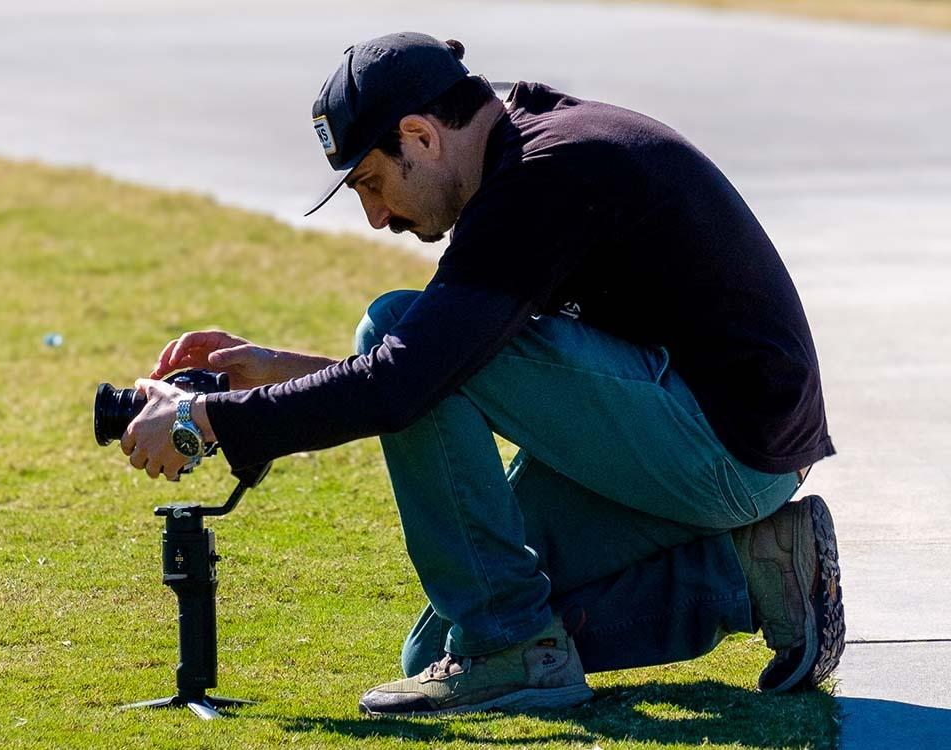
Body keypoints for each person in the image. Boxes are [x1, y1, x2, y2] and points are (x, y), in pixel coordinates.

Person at [120, 31, 843, 717]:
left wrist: (202, 420)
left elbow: (411, 374)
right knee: (434, 650)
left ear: (422, 136)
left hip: (724, 447)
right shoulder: (523, 160)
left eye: (372, 183)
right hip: (701, 440)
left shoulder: (543, 176)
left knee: (398, 332)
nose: (375, 217)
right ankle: (758, 574)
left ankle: (512, 647)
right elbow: (441, 368)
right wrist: (277, 372)